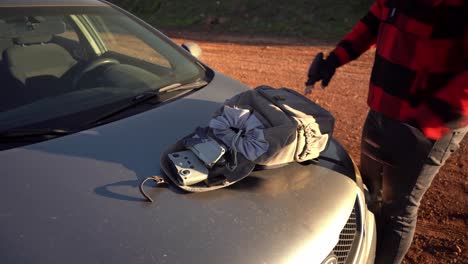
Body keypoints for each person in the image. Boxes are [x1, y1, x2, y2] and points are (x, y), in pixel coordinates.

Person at [306, 0, 467, 263]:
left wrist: (432, 117)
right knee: (370, 193)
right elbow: (374, 21)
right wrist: (335, 59)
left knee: (397, 209)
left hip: (424, 126)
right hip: (383, 107)